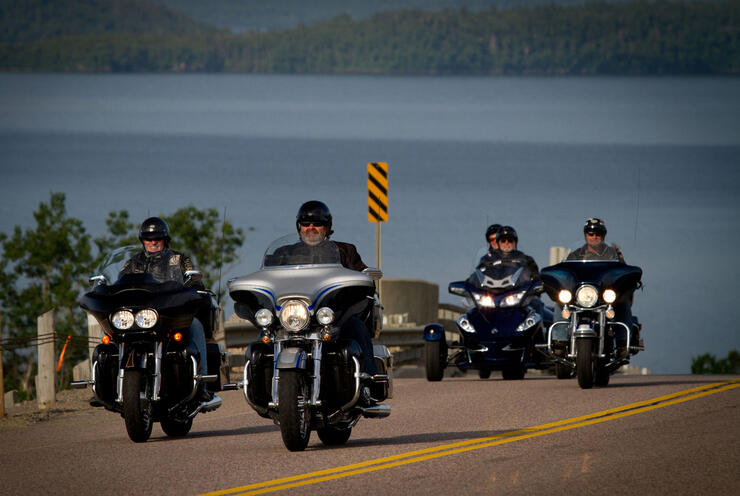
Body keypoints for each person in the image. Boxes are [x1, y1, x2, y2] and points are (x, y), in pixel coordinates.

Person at [282, 201, 378, 380]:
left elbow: (363, 277)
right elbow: (269, 278)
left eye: (317, 223)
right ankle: (257, 384)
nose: (311, 228)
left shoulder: (345, 251)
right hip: (294, 317)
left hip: (335, 317)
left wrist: (366, 279)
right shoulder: (284, 254)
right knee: (261, 341)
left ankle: (370, 381)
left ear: (327, 227)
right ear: (299, 227)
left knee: (357, 328)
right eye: (305, 223)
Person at [120, 217, 212, 402]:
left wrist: (195, 284)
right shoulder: (133, 263)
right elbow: (120, 282)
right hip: (140, 316)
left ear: (165, 239)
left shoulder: (179, 259)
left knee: (195, 325)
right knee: (109, 334)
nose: (153, 242)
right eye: (148, 238)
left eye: (157, 238)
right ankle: (102, 380)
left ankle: (202, 381)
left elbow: (194, 279)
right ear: (142, 240)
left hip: (171, 313)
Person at [566, 217, 635, 357]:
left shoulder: (613, 253)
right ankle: (559, 341)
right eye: (591, 233)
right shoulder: (575, 254)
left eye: (598, 233)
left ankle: (623, 343)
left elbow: (624, 271)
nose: (594, 237)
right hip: (583, 294)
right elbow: (567, 272)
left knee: (623, 303)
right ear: (586, 235)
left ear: (603, 235)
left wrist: (630, 277)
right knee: (560, 302)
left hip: (604, 295)